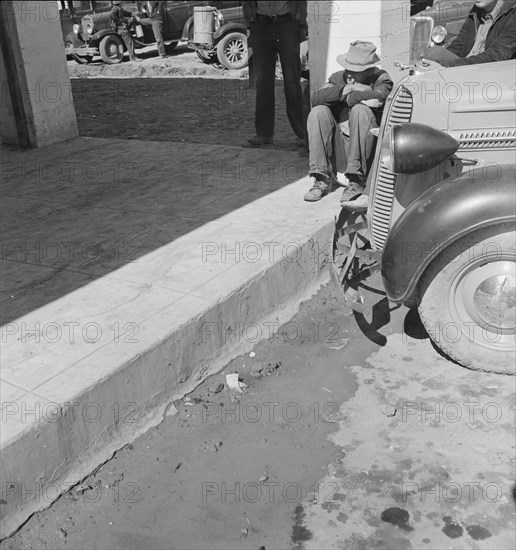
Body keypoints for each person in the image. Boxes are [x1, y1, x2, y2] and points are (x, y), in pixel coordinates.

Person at [303, 41, 393, 209]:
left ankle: (357, 181)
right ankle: (321, 177)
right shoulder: (338, 78)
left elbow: (381, 96)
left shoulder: (382, 79)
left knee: (360, 110)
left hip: (365, 150)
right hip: (341, 146)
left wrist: (354, 94)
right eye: (348, 69)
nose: (350, 74)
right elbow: (316, 98)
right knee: (318, 112)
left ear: (369, 70)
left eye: (356, 71)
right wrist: (343, 91)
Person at [243, 1, 307, 147]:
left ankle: (303, 133)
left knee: (292, 81)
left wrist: (302, 27)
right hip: (260, 23)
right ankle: (264, 134)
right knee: (263, 82)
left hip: (287, 23)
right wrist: (249, 23)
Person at [419, 0, 516, 69]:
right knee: (430, 55)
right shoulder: (477, 9)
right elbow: (459, 44)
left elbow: (494, 57)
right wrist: (443, 61)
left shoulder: (512, 15)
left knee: (434, 54)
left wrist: (446, 65)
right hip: (467, 66)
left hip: (489, 71)